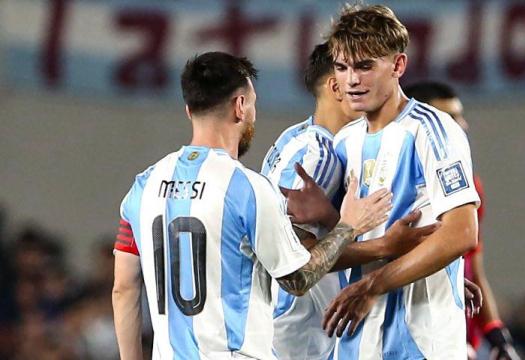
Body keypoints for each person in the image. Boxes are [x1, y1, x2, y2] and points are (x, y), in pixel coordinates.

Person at [111, 51, 393, 360]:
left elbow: (124, 289)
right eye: (254, 103)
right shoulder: (248, 188)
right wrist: (347, 225)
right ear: (240, 106)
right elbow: (297, 278)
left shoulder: (143, 186)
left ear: (189, 110)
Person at [319, 5, 482, 359]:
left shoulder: (432, 129)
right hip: (358, 342)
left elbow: (462, 233)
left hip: (421, 344)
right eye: (342, 67)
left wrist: (376, 283)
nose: (352, 80)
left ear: (397, 66)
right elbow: (324, 252)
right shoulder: (344, 143)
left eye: (365, 66)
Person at [263, 43, 441, 360]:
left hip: (283, 326)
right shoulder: (322, 155)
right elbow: (296, 259)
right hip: (302, 335)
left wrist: (428, 268)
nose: (360, 82)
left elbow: (328, 233)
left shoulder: (293, 137)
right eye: (349, 71)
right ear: (335, 85)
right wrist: (387, 247)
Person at [404, 81, 520, 360]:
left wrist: (496, 334)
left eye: (460, 116)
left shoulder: (468, 186)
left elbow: (473, 265)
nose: (463, 125)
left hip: (457, 337)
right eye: (450, 117)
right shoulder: (396, 183)